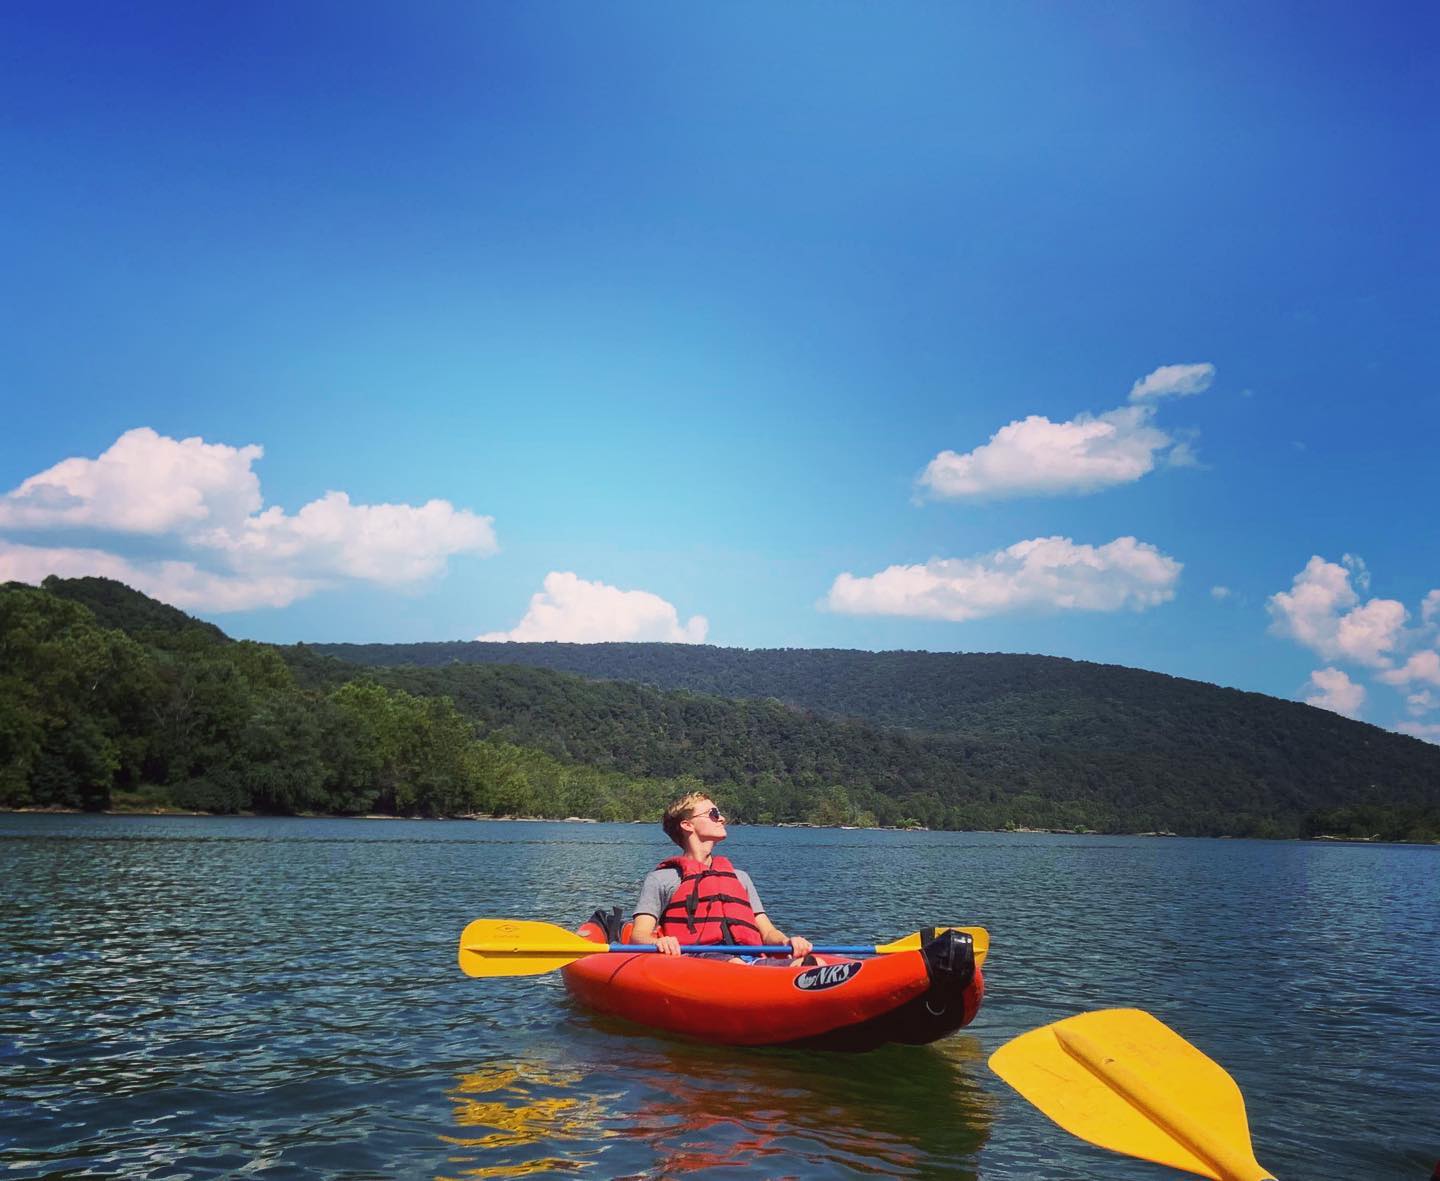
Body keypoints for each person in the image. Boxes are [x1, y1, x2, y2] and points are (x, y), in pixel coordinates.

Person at [631, 792, 814, 964]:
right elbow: (639, 935)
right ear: (687, 825)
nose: (722, 818)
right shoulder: (662, 879)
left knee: (812, 963)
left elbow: (767, 932)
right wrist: (658, 943)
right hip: (696, 960)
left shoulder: (740, 878)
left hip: (748, 959)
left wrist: (786, 941)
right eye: (713, 813)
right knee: (735, 964)